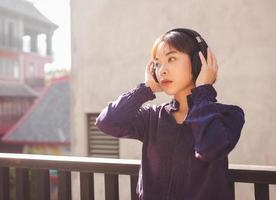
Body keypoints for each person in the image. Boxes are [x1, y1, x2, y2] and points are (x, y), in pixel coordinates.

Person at [95, 28, 245, 200]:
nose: (162, 70)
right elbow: (107, 122)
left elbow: (209, 149)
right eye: (157, 63)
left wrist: (203, 92)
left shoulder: (228, 115)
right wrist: (145, 89)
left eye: (171, 58)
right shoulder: (152, 117)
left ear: (198, 63)